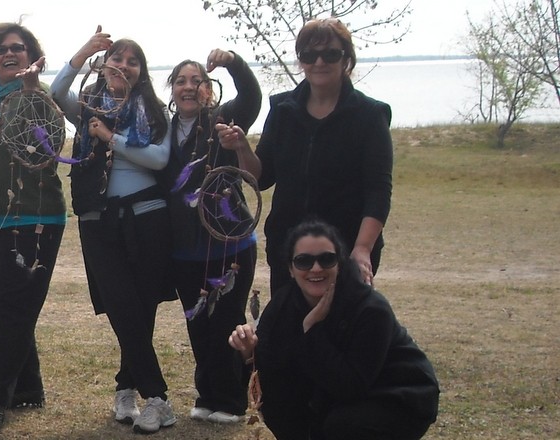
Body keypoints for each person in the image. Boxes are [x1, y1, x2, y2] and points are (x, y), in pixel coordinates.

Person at [50, 31, 176, 434]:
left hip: (147, 217)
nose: (123, 64)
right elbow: (57, 89)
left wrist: (110, 137)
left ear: (141, 72)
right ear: (104, 66)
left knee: (141, 308)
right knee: (121, 305)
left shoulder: (155, 111)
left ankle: (128, 390)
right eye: (116, 58)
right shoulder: (87, 107)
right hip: (98, 220)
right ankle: (157, 396)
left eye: (132, 60)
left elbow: (157, 159)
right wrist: (85, 50)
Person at [225, 17, 393, 293]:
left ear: (346, 59)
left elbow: (378, 190)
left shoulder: (370, 115)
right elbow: (262, 177)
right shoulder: (282, 109)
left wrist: (362, 249)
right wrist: (242, 147)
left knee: (343, 331)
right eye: (309, 55)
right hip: (289, 248)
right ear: (300, 60)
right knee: (290, 331)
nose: (319, 62)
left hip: (343, 250)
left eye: (330, 54)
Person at [228, 219, 439, 439]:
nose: (316, 268)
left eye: (327, 259)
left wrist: (312, 329)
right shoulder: (284, 304)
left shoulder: (371, 309)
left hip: (397, 395)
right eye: (303, 261)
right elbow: (270, 373)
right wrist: (248, 351)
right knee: (279, 404)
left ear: (340, 264)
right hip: (333, 395)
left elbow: (351, 387)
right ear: (291, 269)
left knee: (343, 426)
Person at [0, 22, 66, 435]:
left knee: (11, 310)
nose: (10, 54)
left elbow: (53, 142)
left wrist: (32, 89)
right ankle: (27, 385)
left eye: (18, 48)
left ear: (31, 56)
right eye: (2, 50)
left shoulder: (38, 97)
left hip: (33, 218)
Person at [162, 49, 262, 425]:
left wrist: (234, 62)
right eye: (181, 81)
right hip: (185, 251)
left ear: (209, 89)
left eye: (197, 81)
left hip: (230, 244)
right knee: (198, 323)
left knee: (226, 322)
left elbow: (252, 97)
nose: (189, 88)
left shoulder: (221, 121)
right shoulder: (163, 130)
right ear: (171, 90)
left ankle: (233, 401)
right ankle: (207, 394)